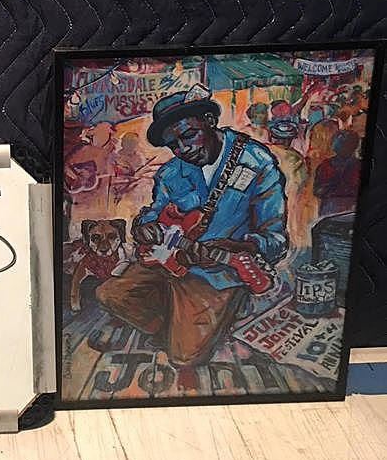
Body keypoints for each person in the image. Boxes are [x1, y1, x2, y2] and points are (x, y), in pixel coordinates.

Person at [95, 87, 288, 366]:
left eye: (188, 136)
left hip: (218, 273)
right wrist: (146, 227)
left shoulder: (257, 162)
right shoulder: (170, 173)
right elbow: (155, 213)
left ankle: (221, 311)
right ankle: (174, 320)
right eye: (173, 145)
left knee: (184, 357)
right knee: (108, 294)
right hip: (169, 262)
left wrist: (240, 246)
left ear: (209, 121)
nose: (183, 150)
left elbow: (275, 239)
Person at [313, 131, 361, 217]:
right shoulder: (325, 165)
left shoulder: (358, 166)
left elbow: (318, 191)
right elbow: (317, 191)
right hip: (331, 208)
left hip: (347, 208)